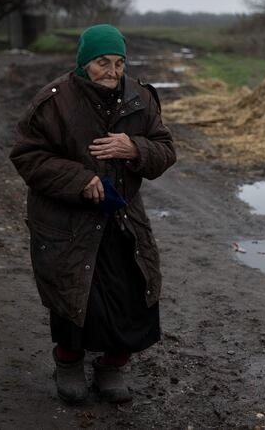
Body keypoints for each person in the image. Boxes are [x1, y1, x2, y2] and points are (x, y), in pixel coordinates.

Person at [9, 24, 175, 403]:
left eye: (119, 63)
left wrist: (135, 148)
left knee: (136, 296)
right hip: (69, 224)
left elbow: (165, 149)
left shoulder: (139, 98)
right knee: (75, 297)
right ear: (84, 63)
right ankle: (68, 362)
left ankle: (112, 367)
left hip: (122, 219)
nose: (113, 71)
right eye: (103, 62)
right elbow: (27, 156)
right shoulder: (54, 101)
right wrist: (79, 179)